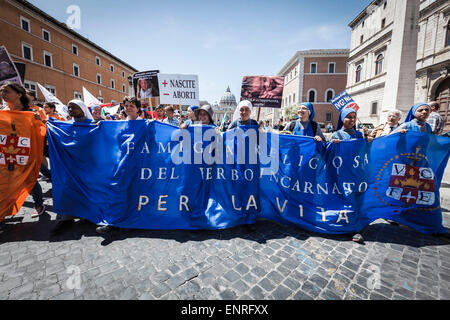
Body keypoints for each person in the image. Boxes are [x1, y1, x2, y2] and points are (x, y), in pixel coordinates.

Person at [0, 82, 47, 224]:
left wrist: (39, 123)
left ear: (19, 94)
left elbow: (42, 132)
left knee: (30, 180)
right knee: (4, 183)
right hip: (5, 155)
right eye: (1, 90)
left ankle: (39, 204)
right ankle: (3, 210)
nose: (3, 92)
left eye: (6, 90)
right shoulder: (2, 113)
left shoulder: (31, 114)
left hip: (26, 154)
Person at [330, 107, 373, 244]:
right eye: (348, 117)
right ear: (342, 119)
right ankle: (344, 224)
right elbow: (328, 153)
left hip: (357, 172)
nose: (352, 120)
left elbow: (365, 151)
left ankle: (354, 226)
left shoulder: (359, 135)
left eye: (354, 117)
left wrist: (369, 140)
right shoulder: (336, 135)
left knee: (356, 198)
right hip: (341, 173)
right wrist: (333, 144)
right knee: (344, 197)